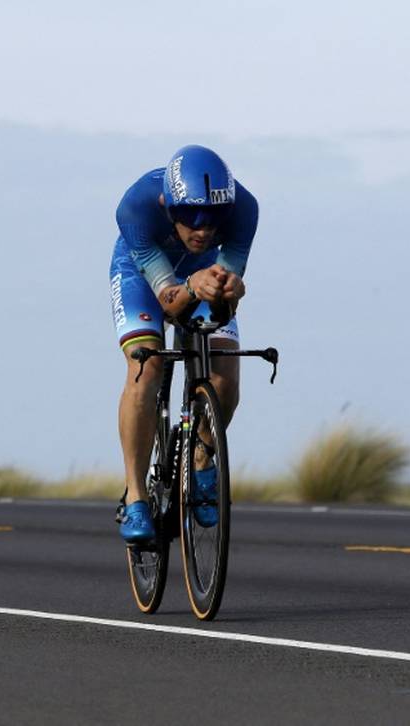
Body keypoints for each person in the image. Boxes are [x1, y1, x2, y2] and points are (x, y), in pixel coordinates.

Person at [108, 145, 258, 543]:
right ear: (167, 205)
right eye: (190, 216)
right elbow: (170, 303)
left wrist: (230, 293)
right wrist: (193, 286)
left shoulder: (245, 209)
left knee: (224, 373)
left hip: (202, 273)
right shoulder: (136, 205)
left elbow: (221, 309)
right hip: (143, 276)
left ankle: (203, 455)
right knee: (146, 368)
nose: (202, 229)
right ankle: (136, 496)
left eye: (212, 218)